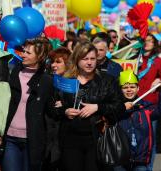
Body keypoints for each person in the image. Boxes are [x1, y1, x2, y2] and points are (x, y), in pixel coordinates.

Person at [53, 41, 125, 171]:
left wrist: (98, 107)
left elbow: (120, 106)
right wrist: (65, 111)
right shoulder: (66, 79)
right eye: (85, 59)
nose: (89, 62)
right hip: (70, 139)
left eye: (92, 58)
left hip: (97, 139)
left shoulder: (107, 80)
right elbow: (53, 107)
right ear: (77, 59)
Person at [1, 38, 53, 171]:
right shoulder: (12, 73)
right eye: (23, 51)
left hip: (33, 139)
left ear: (40, 56)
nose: (23, 54)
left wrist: (59, 106)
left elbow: (50, 113)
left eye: (28, 53)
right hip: (10, 137)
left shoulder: (47, 80)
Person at [116, 70, 161, 171]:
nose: (129, 90)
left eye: (132, 87)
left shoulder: (145, 107)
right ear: (120, 90)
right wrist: (121, 108)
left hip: (140, 159)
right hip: (120, 159)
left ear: (138, 88)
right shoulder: (115, 107)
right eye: (125, 87)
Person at [137, 34, 161, 170]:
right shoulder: (135, 59)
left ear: (155, 44)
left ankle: (148, 167)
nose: (147, 43)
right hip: (134, 102)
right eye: (145, 40)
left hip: (150, 103)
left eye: (150, 41)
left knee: (149, 139)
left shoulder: (158, 61)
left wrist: (160, 81)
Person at [44, 47, 72, 171]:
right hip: (47, 141)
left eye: (58, 62)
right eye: (52, 62)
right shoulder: (47, 81)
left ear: (67, 63)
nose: (53, 65)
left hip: (66, 142)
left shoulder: (75, 83)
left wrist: (66, 104)